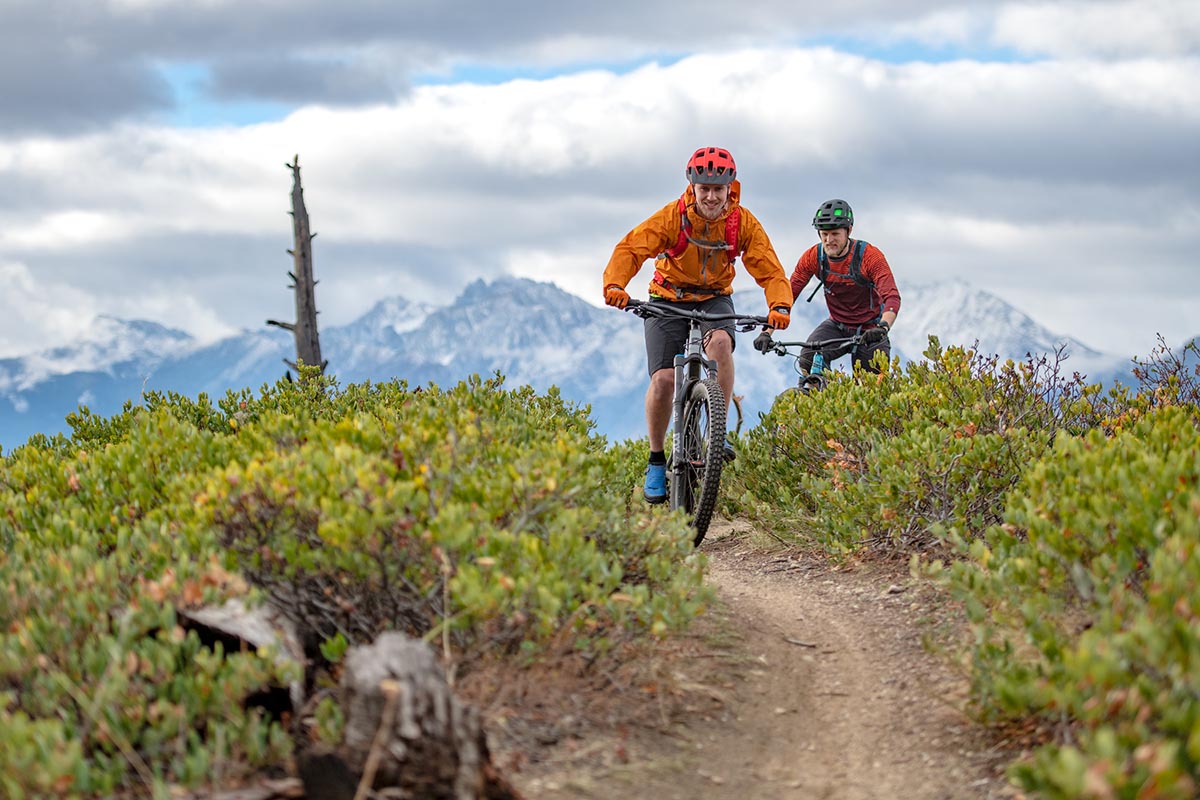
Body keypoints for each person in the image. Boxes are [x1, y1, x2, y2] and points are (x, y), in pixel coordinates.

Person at [603, 146, 793, 504]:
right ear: (692, 186)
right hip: (667, 297)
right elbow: (631, 249)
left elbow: (769, 269)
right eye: (704, 188)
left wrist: (779, 305)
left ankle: (717, 431)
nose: (711, 196)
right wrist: (615, 285)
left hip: (714, 297)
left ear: (729, 188)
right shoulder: (672, 217)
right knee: (664, 380)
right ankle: (656, 460)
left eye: (717, 189)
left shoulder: (742, 223)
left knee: (720, 344)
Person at [772, 198, 901, 379]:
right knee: (808, 358)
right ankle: (820, 392)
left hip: (871, 329)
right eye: (824, 234)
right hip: (837, 325)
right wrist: (767, 332)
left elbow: (892, 297)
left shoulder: (869, 257)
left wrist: (883, 327)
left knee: (871, 385)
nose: (829, 240)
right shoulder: (813, 257)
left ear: (849, 231)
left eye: (835, 234)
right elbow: (788, 296)